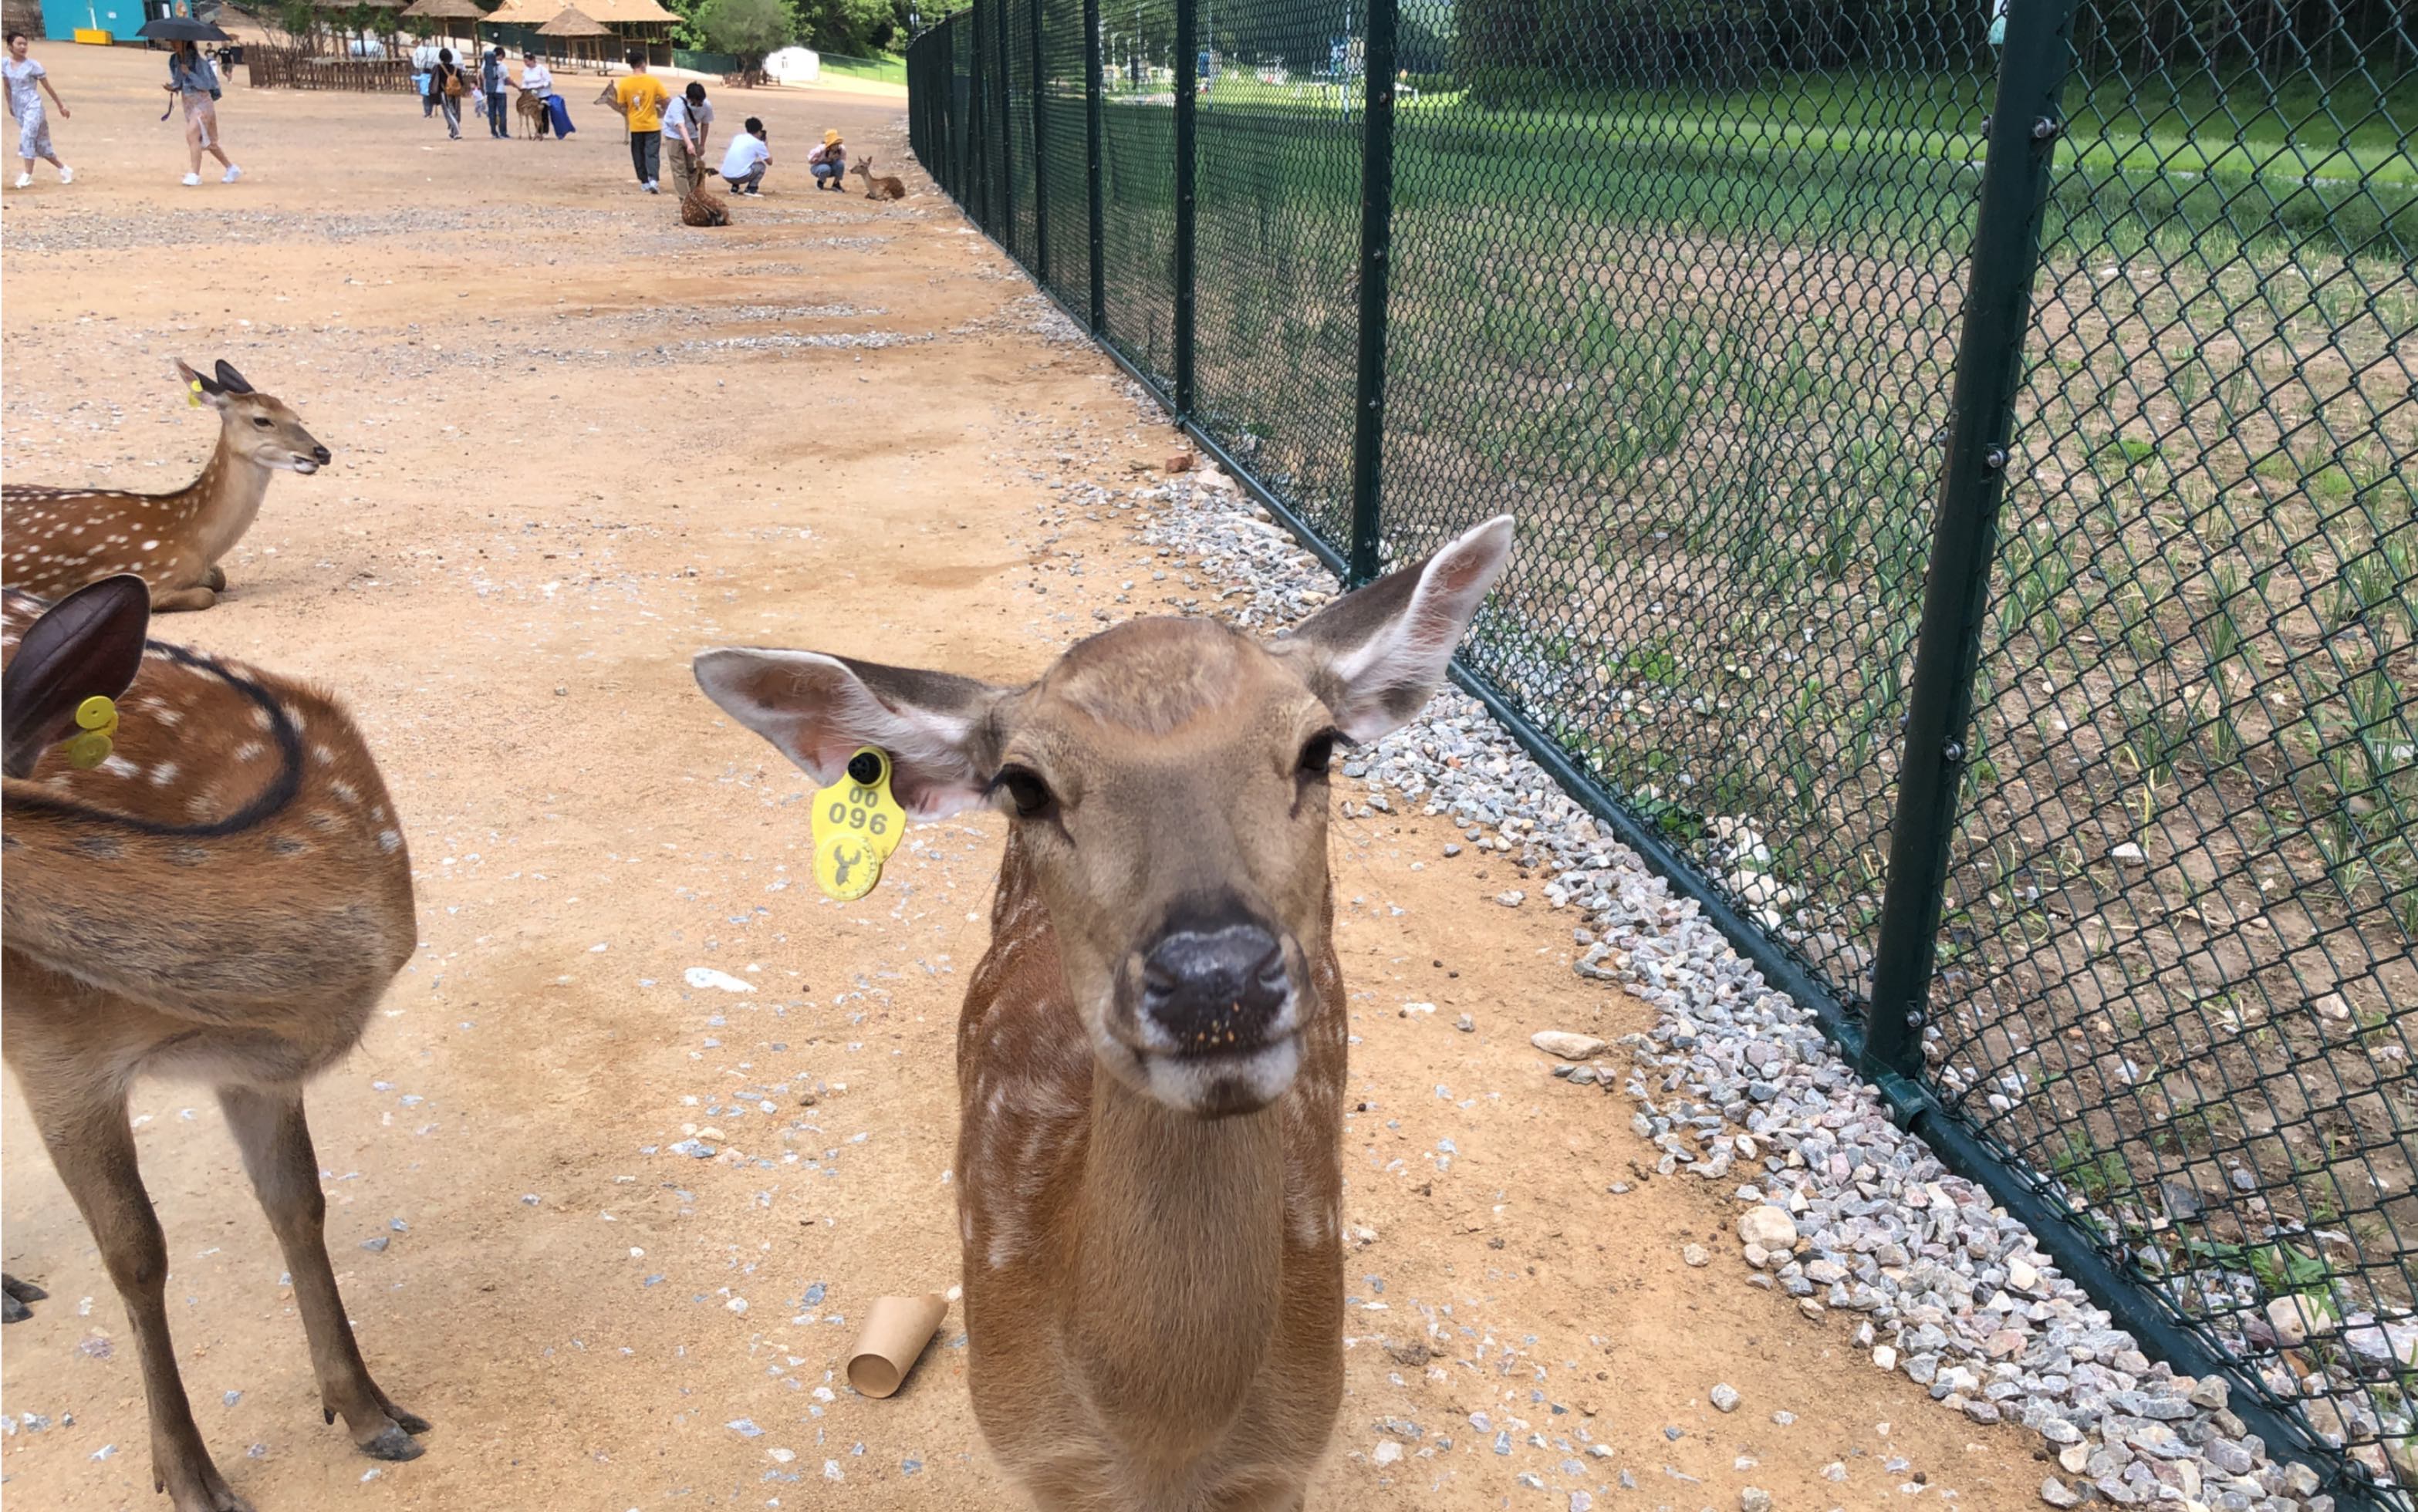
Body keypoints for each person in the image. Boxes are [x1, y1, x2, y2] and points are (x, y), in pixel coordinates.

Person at [4, 32, 70, 188]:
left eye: (25, 44)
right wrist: (10, 105)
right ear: (10, 47)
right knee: (40, 144)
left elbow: (47, 87)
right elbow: (7, 86)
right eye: (19, 44)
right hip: (19, 107)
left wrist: (61, 105)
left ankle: (27, 174)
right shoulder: (4, 64)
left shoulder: (33, 66)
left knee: (27, 135)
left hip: (33, 105)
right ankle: (64, 168)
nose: (23, 47)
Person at [166, 40, 237, 186]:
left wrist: (189, 73)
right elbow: (179, 82)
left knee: (192, 134)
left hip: (202, 102)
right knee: (207, 141)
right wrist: (172, 87)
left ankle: (195, 174)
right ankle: (231, 167)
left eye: (176, 41)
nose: (173, 44)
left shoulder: (199, 62)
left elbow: (206, 85)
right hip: (189, 103)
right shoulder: (174, 60)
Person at [605, 49, 669, 192]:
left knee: (638, 154)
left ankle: (644, 181)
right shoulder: (653, 81)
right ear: (643, 63)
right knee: (652, 154)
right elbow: (666, 99)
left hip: (635, 126)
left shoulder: (624, 83)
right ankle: (653, 180)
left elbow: (621, 105)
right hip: (652, 125)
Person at [660, 79, 712, 198]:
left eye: (700, 104)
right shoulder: (677, 104)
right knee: (679, 169)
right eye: (694, 103)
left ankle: (696, 196)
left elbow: (705, 124)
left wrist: (701, 145)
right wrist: (689, 144)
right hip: (674, 135)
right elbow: (680, 126)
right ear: (688, 99)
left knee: (693, 168)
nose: (697, 107)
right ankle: (685, 200)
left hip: (692, 134)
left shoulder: (707, 106)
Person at [718, 116, 769, 195]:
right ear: (759, 131)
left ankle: (734, 188)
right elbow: (769, 161)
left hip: (726, 175)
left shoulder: (738, 138)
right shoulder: (758, 143)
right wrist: (765, 145)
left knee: (742, 161)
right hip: (739, 177)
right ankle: (751, 189)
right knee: (761, 166)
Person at [517, 49, 552, 139]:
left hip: (542, 93)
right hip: (531, 94)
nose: (526, 63)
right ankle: (537, 131)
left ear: (533, 60)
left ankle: (542, 131)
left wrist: (541, 86)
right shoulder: (526, 70)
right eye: (525, 62)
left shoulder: (542, 69)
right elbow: (525, 82)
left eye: (527, 61)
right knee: (534, 113)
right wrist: (523, 88)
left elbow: (548, 81)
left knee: (542, 112)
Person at [482, 46, 508, 138]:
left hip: (489, 91)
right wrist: (517, 86)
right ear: (500, 55)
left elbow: (482, 76)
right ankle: (503, 132)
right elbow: (507, 79)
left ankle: (494, 132)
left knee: (492, 112)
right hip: (500, 91)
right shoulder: (502, 66)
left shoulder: (485, 65)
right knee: (502, 113)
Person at [806, 127, 843, 191]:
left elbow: (841, 160)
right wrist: (816, 160)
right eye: (834, 144)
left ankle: (836, 184)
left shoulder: (841, 150)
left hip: (831, 167)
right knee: (825, 168)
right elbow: (810, 158)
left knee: (840, 164)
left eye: (837, 144)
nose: (836, 146)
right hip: (818, 168)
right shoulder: (821, 149)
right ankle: (820, 183)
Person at [411, 35, 438, 116]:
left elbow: (415, 77)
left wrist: (412, 76)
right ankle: (430, 113)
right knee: (430, 102)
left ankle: (427, 113)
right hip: (431, 91)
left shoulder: (422, 76)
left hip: (424, 92)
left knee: (425, 102)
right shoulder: (431, 77)